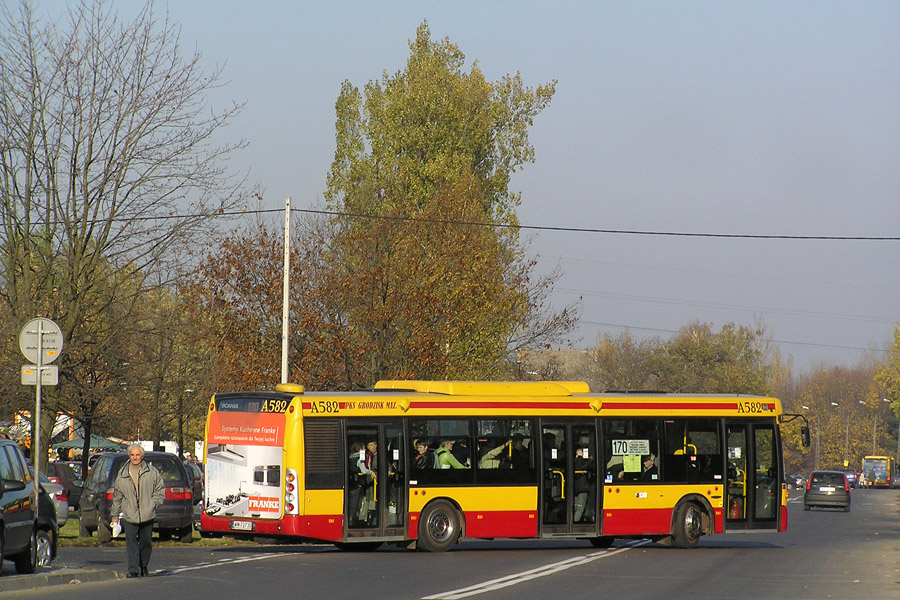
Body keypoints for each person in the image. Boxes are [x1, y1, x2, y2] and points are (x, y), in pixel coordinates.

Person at [110, 444, 164, 578]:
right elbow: (117, 496)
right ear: (129, 456)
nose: (135, 458)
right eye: (132, 455)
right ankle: (133, 569)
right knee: (131, 543)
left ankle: (144, 565)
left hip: (147, 514)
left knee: (146, 543)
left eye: (137, 455)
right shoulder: (122, 474)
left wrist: (153, 504)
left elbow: (160, 490)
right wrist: (115, 516)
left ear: (142, 456)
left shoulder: (152, 472)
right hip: (129, 514)